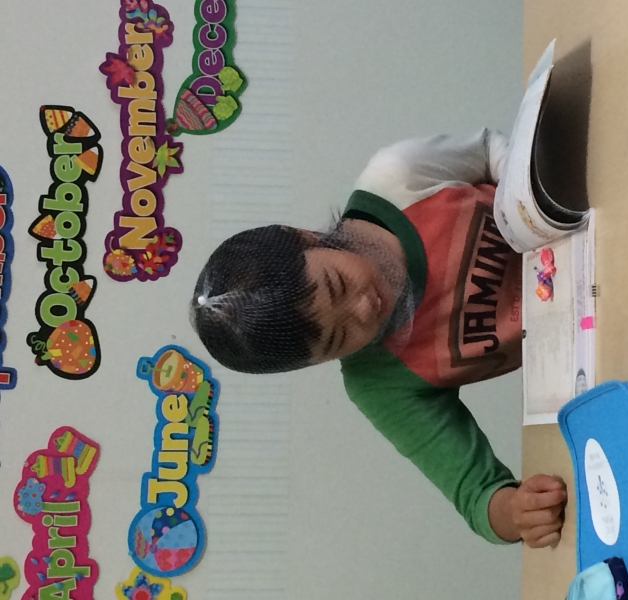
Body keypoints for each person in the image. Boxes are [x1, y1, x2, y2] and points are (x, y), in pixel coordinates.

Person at [190, 129, 567, 548]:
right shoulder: (378, 383)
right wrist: (517, 512)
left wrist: (531, 209)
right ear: (318, 361)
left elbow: (490, 150)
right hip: (586, 337)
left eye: (337, 284)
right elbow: (477, 496)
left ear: (303, 236)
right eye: (340, 337)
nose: (364, 308)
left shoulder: (398, 178)